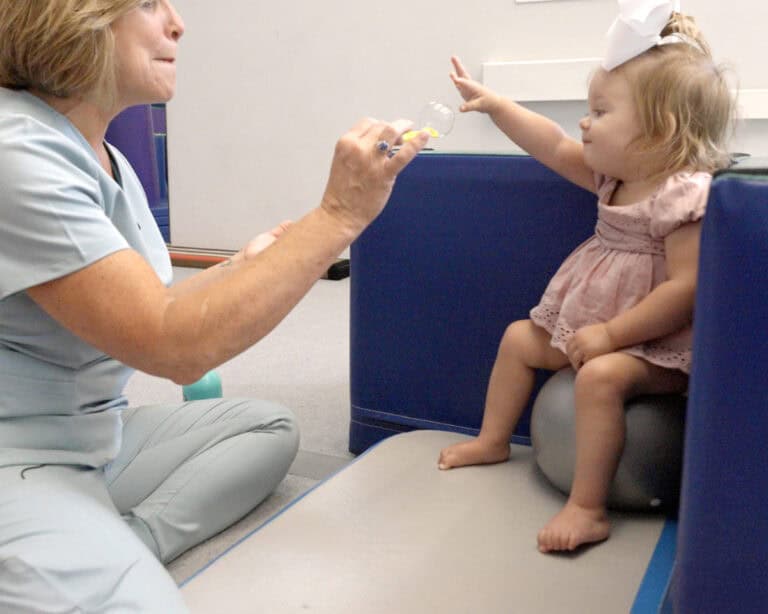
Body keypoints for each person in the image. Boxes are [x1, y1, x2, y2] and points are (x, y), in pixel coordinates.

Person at [0, 0, 429, 611]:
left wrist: (241, 269)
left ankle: (124, 541)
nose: (178, 23)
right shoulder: (15, 152)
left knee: (266, 427)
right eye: (150, 4)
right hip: (19, 457)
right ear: (75, 16)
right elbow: (172, 345)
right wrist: (337, 215)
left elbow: (150, 300)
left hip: (96, 436)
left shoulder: (104, 156)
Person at [437, 5, 734, 553]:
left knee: (599, 380)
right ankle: (493, 440)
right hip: (592, 329)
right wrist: (497, 106)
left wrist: (611, 337)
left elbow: (686, 290)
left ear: (659, 130)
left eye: (600, 110)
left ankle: (588, 507)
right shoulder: (610, 178)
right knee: (517, 339)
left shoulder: (682, 194)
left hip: (660, 350)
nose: (584, 121)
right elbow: (549, 144)